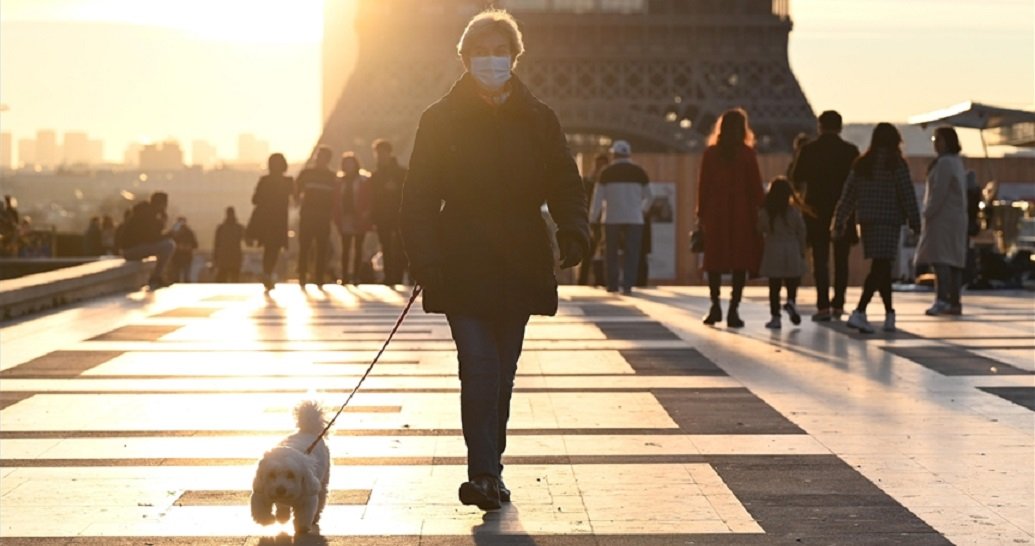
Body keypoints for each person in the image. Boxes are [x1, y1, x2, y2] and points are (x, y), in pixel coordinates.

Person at [401, 8, 589, 511]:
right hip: (462, 261)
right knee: (481, 367)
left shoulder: (539, 117)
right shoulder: (439, 119)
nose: (491, 60)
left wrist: (574, 229)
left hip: (519, 262)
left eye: (498, 52)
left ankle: (492, 469)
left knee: (501, 376)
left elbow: (565, 182)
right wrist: (426, 257)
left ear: (515, 57)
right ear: (464, 59)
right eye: (481, 53)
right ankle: (482, 472)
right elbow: (417, 195)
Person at [832, 123, 921, 334]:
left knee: (881, 267)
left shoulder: (862, 163)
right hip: (889, 221)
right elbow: (907, 194)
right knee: (881, 266)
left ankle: (889, 314)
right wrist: (915, 222)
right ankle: (860, 311)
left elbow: (848, 194)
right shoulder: (896, 163)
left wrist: (839, 220)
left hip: (869, 221)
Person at [697, 108, 764, 328]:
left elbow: (703, 186)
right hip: (741, 214)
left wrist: (701, 214)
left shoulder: (711, 153)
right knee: (739, 263)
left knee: (714, 261)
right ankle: (733, 311)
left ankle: (715, 306)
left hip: (716, 213)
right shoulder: (747, 154)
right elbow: (755, 188)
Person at [790, 110, 860, 321]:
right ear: (840, 127)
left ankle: (823, 306)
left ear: (819, 126)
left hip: (816, 211)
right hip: (843, 210)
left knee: (820, 261)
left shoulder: (809, 150)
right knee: (841, 261)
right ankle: (838, 304)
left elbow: (796, 178)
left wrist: (804, 203)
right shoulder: (850, 151)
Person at [915, 126, 968, 316]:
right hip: (954, 219)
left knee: (941, 261)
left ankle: (943, 299)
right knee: (953, 262)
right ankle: (954, 301)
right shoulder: (956, 162)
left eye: (938, 140)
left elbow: (938, 192)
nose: (936, 144)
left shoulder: (945, 163)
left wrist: (927, 213)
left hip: (942, 219)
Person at [589, 140, 652, 294]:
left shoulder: (605, 173)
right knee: (632, 253)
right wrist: (641, 211)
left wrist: (592, 219)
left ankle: (612, 285)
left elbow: (597, 199)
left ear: (613, 154)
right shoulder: (639, 172)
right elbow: (650, 197)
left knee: (610, 253)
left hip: (611, 218)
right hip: (634, 218)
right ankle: (628, 285)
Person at [758, 177, 808, 329]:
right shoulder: (793, 212)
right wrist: (802, 250)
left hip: (774, 248)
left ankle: (775, 317)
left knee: (774, 286)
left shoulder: (767, 212)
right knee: (792, 281)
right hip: (791, 249)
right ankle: (791, 301)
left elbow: (760, 228)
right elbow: (802, 231)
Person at [248, 153, 294, 291]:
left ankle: (267, 272)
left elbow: (255, 200)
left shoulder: (264, 180)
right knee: (274, 248)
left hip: (266, 219)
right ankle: (268, 272)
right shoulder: (288, 181)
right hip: (279, 219)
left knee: (269, 247)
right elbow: (293, 199)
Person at [295, 146, 337, 287]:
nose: (321, 160)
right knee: (304, 246)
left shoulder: (331, 177)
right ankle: (302, 274)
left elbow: (336, 197)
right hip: (307, 215)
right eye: (319, 157)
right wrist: (297, 200)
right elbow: (296, 189)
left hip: (323, 216)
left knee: (322, 247)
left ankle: (319, 276)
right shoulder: (307, 174)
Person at [370, 139, 408, 285]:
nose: (380, 156)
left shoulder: (400, 173)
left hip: (398, 215)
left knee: (399, 247)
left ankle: (397, 276)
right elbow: (373, 198)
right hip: (382, 216)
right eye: (378, 153)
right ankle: (389, 276)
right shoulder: (376, 175)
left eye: (382, 153)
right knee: (385, 245)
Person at [120, 191, 176, 290]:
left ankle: (158, 276)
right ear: (160, 204)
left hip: (131, 249)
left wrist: (162, 221)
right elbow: (152, 238)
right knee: (168, 245)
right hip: (131, 250)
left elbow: (152, 236)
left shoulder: (148, 212)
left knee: (166, 245)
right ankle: (156, 277)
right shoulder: (147, 215)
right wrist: (168, 234)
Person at [333, 152, 372, 284]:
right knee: (345, 247)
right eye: (346, 164)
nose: (349, 167)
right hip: (345, 217)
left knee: (358, 247)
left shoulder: (364, 180)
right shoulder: (339, 181)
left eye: (351, 164)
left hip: (360, 216)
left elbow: (369, 198)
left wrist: (366, 213)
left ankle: (356, 275)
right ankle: (345, 275)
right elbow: (336, 200)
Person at [578, 152, 611, 286]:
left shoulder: (607, 182)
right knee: (588, 252)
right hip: (591, 221)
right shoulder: (587, 182)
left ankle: (601, 280)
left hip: (604, 220)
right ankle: (583, 281)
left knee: (603, 252)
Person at [213, 206, 245, 282]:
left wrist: (215, 256)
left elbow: (216, 244)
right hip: (235, 256)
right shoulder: (239, 228)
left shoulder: (221, 228)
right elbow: (247, 239)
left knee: (222, 279)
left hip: (224, 257)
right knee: (234, 278)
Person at [170, 216, 198, 282]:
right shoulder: (175, 232)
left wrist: (186, 246)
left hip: (182, 257)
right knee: (178, 276)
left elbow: (195, 244)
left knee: (182, 276)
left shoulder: (188, 233)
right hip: (179, 257)